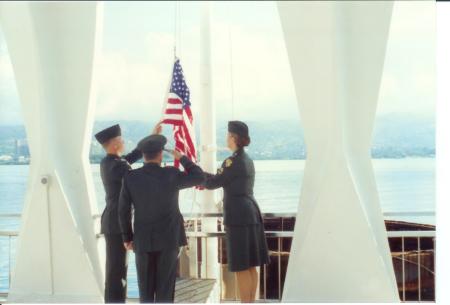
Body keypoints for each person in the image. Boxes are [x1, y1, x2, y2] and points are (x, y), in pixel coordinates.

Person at [118, 133, 205, 303]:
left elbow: (123, 211)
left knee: (145, 291)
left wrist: (127, 237)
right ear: (160, 154)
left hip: (142, 241)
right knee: (165, 290)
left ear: (143, 155)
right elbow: (199, 176)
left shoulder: (131, 177)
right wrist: (183, 159)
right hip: (169, 240)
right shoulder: (171, 174)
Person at [201, 121, 270, 303]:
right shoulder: (247, 160)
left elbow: (213, 182)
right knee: (251, 265)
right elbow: (221, 178)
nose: (226, 137)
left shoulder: (232, 161)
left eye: (227, 134)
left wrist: (195, 174)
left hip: (238, 217)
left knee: (241, 265)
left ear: (233, 138)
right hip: (252, 213)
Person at [95, 123, 161, 303]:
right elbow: (139, 176)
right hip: (116, 224)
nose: (123, 142)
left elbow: (131, 157)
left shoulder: (110, 162)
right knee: (117, 272)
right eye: (121, 139)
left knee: (117, 270)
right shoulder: (117, 166)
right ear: (115, 143)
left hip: (113, 222)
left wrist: (151, 136)